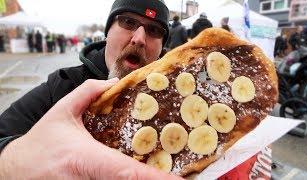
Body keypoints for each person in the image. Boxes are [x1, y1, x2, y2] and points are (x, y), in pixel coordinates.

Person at [0, 0, 180, 178]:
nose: (139, 39)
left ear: (161, 49)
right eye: (128, 22)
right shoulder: (64, 86)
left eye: (154, 30)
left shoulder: (177, 102)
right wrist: (17, 163)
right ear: (107, 32)